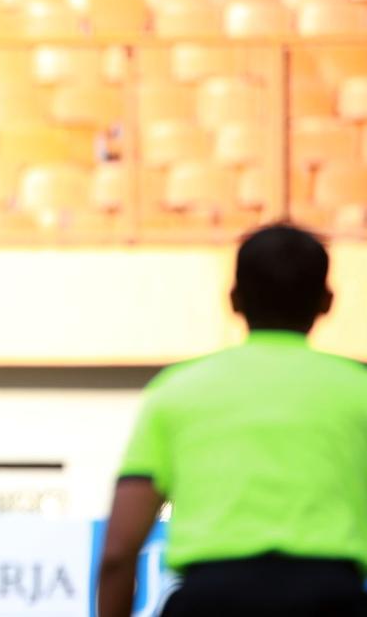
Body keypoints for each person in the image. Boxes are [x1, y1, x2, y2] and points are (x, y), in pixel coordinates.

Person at [98, 224, 367, 617]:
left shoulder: (176, 391)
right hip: (332, 602)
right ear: (327, 301)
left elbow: (118, 554)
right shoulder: (359, 390)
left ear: (234, 300)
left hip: (210, 602)